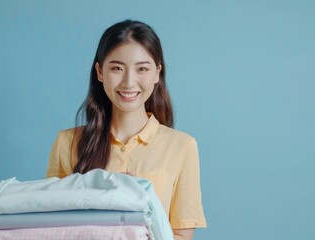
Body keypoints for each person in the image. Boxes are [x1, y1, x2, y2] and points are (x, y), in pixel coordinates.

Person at [46, 19, 207, 240]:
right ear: (100, 72)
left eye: (142, 68)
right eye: (117, 68)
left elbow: (180, 235)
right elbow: (49, 227)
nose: (129, 82)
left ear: (157, 72)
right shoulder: (67, 142)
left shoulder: (182, 146)